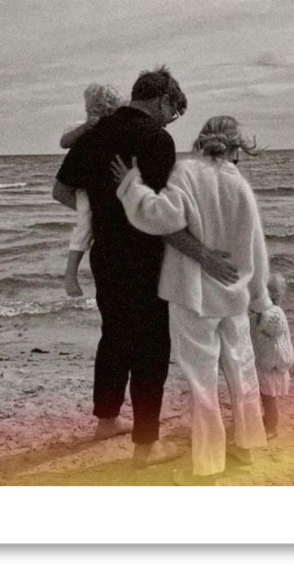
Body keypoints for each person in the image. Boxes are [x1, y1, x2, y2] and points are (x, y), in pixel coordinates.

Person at [52, 67, 240, 468]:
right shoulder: (157, 139)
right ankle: (146, 444)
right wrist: (203, 251)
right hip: (146, 256)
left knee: (115, 335)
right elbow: (160, 214)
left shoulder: (95, 133)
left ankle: (106, 420)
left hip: (106, 255)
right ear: (162, 99)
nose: (171, 120)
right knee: (151, 347)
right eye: (173, 111)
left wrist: (104, 214)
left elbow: (61, 190)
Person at [112, 115, 273, 486]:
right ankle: (246, 446)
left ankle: (208, 462)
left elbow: (158, 217)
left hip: (193, 294)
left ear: (200, 142)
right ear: (236, 149)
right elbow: (256, 249)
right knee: (241, 368)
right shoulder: (241, 187)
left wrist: (131, 184)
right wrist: (260, 299)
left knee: (202, 380)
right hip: (233, 295)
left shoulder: (186, 173)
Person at [59, 83, 122, 297]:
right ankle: (70, 275)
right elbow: (64, 142)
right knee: (85, 221)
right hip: (84, 187)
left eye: (104, 112)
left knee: (91, 219)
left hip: (98, 188)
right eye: (92, 111)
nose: (97, 116)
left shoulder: (114, 128)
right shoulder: (81, 127)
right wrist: (85, 127)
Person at [252, 272, 293, 440]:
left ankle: (272, 426)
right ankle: (269, 420)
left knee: (269, 397)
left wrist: (259, 314)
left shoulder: (274, 313)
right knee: (266, 395)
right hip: (267, 361)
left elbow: (273, 327)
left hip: (272, 364)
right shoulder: (266, 311)